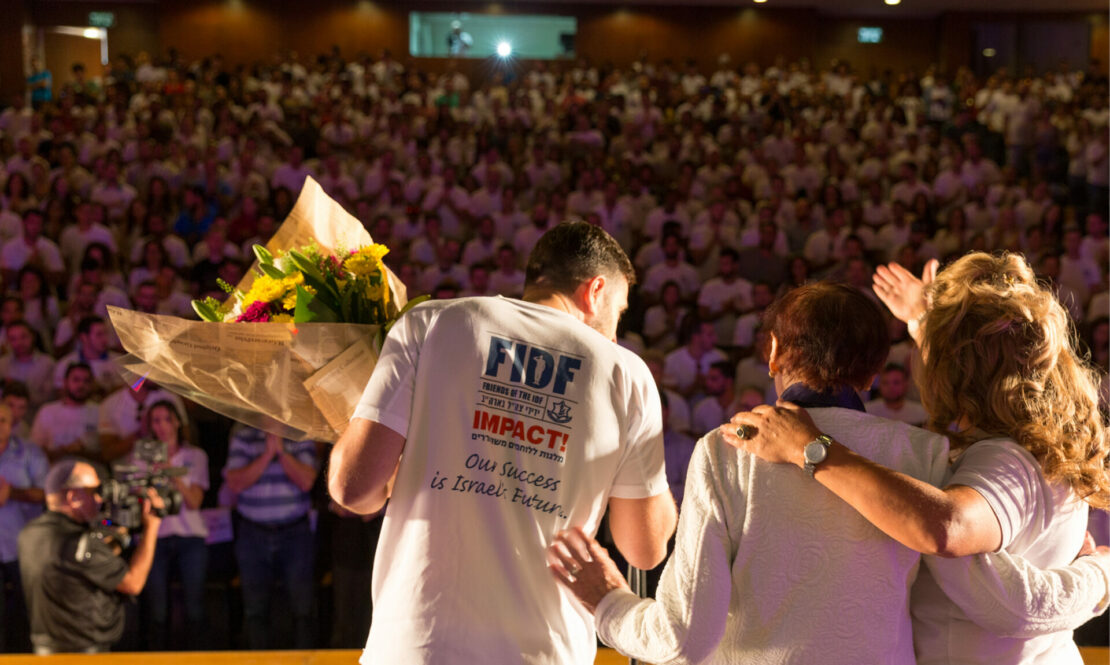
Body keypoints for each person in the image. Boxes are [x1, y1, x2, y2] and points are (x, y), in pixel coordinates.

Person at [728, 253, 1110, 664]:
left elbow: (948, 528)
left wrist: (809, 447)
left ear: (957, 370)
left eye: (935, 349)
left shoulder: (1003, 459)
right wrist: (921, 320)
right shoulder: (1039, 447)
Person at [329, 221, 676, 664]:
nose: (614, 332)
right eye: (620, 312)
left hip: (417, 646)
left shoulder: (431, 322)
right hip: (545, 652)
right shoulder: (626, 373)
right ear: (595, 290)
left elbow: (353, 490)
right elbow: (644, 549)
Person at [549, 282, 951, 664]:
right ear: (872, 373)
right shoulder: (924, 453)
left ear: (773, 351)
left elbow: (683, 635)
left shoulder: (728, 449)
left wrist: (608, 603)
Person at [18, 458, 163, 654]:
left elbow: (81, 564)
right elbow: (133, 583)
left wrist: (118, 534)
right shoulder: (80, 542)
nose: (100, 499)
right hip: (85, 653)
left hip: (44, 650)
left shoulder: (29, 534)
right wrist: (152, 526)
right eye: (94, 491)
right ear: (73, 497)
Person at [222, 425, 318, 649]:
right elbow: (235, 483)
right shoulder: (244, 435)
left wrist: (282, 452)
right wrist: (267, 454)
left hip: (294, 532)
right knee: (255, 611)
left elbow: (307, 481)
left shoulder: (300, 433)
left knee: (302, 610)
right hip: (253, 533)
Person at [131, 401, 208, 651]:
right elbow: (137, 500)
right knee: (158, 610)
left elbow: (194, 501)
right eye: (156, 420)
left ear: (177, 421)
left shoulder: (195, 456)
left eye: (167, 419)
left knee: (195, 608)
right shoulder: (141, 457)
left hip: (190, 535)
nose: (162, 426)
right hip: (156, 537)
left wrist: (171, 474)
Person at [0, 403, 47, 652]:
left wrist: (12, 493)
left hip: (22, 546)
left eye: (2, 420)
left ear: (12, 423)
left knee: (26, 614)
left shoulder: (30, 453)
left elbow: (46, 494)